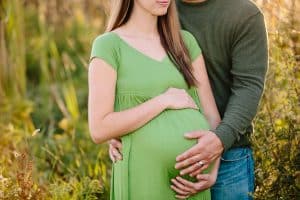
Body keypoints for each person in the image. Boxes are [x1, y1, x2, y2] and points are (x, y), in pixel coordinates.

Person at [109, 0, 269, 199]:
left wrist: (219, 140)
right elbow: (137, 67)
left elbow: (248, 88)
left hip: (229, 155)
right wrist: (119, 128)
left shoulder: (244, 14)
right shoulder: (161, 6)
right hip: (162, 162)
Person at [88, 0, 222, 199]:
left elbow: (212, 117)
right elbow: (99, 129)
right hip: (143, 177)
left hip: (191, 184)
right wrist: (163, 101)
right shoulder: (109, 45)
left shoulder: (185, 42)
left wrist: (212, 168)